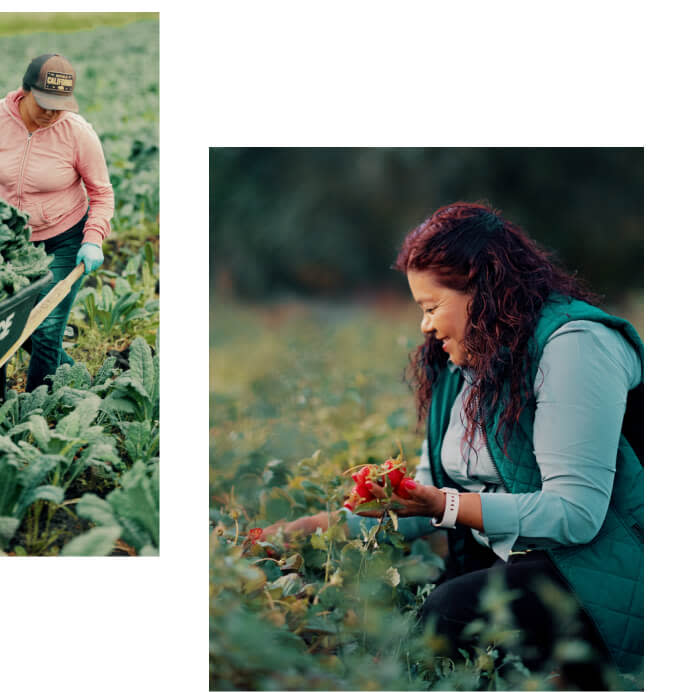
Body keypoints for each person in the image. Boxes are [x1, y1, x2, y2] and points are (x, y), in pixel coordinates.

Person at [261, 202, 643, 687]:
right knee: (414, 615)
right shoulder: (466, 364)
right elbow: (427, 492)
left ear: (483, 289)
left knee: (450, 614)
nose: (424, 325)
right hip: (525, 563)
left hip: (607, 571)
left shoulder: (575, 345)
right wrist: (321, 529)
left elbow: (575, 514)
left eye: (431, 307)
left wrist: (445, 505)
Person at [0, 53, 114, 391]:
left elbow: (101, 193)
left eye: (61, 105)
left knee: (47, 327)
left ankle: (35, 408)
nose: (53, 113)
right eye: (45, 104)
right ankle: (74, 377)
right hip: (15, 241)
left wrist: (93, 238)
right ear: (25, 91)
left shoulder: (77, 133)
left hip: (67, 239)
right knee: (16, 325)